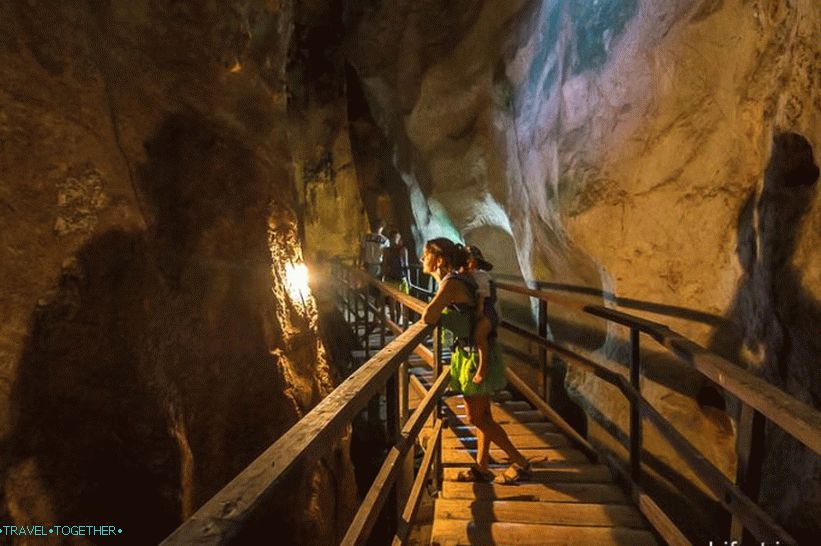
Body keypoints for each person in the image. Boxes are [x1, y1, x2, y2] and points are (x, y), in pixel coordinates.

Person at [420, 237, 532, 484]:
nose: (421, 259)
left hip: (473, 354)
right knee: (485, 416)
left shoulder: (451, 284)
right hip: (471, 350)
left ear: (438, 260)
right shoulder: (458, 280)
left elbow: (429, 316)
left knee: (476, 418)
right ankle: (482, 467)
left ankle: (520, 461)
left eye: (425, 254)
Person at [464, 246, 498, 386]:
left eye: (470, 260)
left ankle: (483, 368)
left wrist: (480, 309)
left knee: (479, 336)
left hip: (487, 311)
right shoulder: (468, 275)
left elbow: (483, 296)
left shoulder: (481, 275)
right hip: (477, 310)